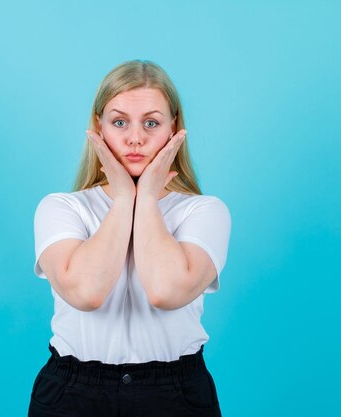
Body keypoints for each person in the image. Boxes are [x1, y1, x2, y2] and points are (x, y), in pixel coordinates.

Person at [28, 60, 231, 417]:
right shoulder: (60, 208)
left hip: (175, 394)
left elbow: (166, 291)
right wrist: (124, 199)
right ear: (98, 128)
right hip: (74, 393)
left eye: (150, 123)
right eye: (119, 122)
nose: (135, 138)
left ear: (174, 129)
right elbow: (85, 293)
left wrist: (148, 198)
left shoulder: (205, 212)